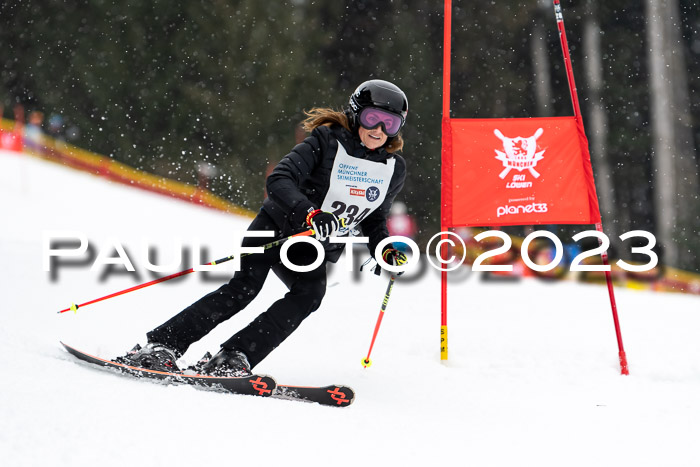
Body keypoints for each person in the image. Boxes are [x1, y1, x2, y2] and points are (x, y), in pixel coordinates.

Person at [117, 79, 410, 376]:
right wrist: (311, 213)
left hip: (309, 247)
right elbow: (279, 180)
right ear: (355, 114)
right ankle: (161, 346)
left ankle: (234, 356)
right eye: (372, 118)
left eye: (390, 123)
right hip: (275, 227)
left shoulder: (392, 168)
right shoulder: (325, 141)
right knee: (244, 289)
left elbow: (374, 218)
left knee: (309, 296)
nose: (379, 130)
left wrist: (385, 248)